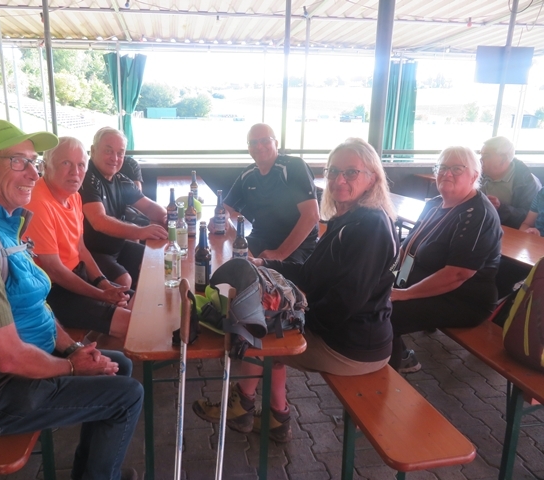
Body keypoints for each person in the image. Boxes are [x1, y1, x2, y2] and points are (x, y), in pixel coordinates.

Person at [0, 120, 143, 480]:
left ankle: (92, 471)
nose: (33, 174)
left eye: (33, 162)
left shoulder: (1, 222)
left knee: (119, 366)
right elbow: (8, 357)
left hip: (18, 367)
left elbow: (37, 306)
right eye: (18, 162)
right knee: (126, 395)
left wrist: (73, 349)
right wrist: (72, 367)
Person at [193, 138, 399, 442]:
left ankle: (243, 407)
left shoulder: (370, 227)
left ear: (372, 178)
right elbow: (309, 273)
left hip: (351, 346)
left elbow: (346, 302)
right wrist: (264, 263)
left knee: (255, 334)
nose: (339, 180)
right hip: (345, 332)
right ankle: (275, 416)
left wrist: (295, 319)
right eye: (333, 172)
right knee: (263, 323)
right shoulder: (349, 219)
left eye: (351, 172)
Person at [390, 146, 502, 373]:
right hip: (421, 285)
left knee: (385, 313)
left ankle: (386, 377)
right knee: (370, 295)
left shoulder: (478, 215)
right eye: (442, 167)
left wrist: (404, 293)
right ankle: (397, 355)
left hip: (462, 300)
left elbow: (458, 274)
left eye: (456, 168)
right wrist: (389, 276)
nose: (447, 173)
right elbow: (407, 247)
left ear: (474, 176)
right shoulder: (434, 203)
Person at [25, 137, 134, 348]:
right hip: (52, 292)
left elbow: (81, 248)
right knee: (132, 324)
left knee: (135, 304)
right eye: (66, 163)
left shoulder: (73, 195)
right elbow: (54, 270)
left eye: (81, 165)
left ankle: (92, 351)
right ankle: (89, 360)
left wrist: (103, 283)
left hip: (77, 277)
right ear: (45, 166)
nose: (75, 172)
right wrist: (101, 295)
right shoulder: (37, 202)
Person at [217, 123, 319, 262]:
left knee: (262, 274)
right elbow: (225, 208)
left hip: (297, 247)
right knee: (226, 261)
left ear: (276, 143)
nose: (259, 146)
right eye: (253, 142)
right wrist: (219, 220)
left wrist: (279, 254)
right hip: (259, 240)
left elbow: (312, 215)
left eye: (265, 140)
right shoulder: (248, 174)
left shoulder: (293, 166)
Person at [81, 127, 167, 288]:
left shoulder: (120, 179)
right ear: (93, 150)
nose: (115, 158)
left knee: (158, 260)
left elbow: (148, 206)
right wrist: (139, 231)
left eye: (120, 153)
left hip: (117, 247)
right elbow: (99, 221)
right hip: (92, 253)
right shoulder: (86, 178)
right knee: (124, 281)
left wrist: (166, 217)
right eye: (108, 151)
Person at [479, 136, 540, 228]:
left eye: (486, 155)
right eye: (481, 155)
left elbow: (529, 218)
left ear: (503, 159)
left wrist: (500, 208)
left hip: (510, 230)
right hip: (482, 226)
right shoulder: (477, 175)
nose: (480, 159)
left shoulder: (527, 182)